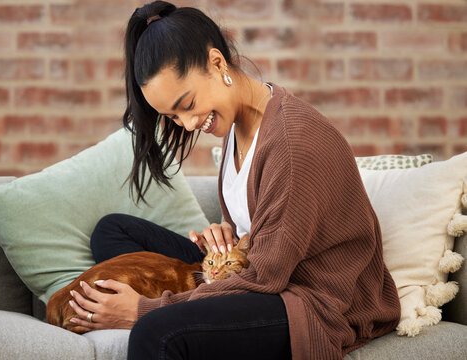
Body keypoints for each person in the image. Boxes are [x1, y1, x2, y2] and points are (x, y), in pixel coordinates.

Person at [67, 1, 401, 359]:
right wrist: (230, 232)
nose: (189, 124)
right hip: (260, 268)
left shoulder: (292, 143)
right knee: (113, 231)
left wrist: (144, 310)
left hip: (308, 299)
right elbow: (266, 222)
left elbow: (265, 277)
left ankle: (146, 309)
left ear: (217, 62)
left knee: (156, 331)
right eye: (173, 116)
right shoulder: (239, 124)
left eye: (187, 103)